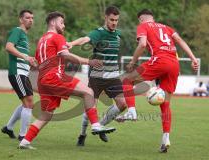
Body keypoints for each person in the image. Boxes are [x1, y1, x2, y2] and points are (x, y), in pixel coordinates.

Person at [18, 11, 116, 149]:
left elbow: (37, 63)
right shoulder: (57, 37)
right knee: (88, 92)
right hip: (54, 77)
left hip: (43, 81)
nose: (64, 26)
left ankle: (25, 141)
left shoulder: (42, 40)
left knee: (46, 114)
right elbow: (65, 55)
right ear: (53, 22)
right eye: (61, 22)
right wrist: (89, 61)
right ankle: (95, 125)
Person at [118, 9, 199, 153]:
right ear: (153, 18)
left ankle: (131, 111)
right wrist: (193, 58)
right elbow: (180, 40)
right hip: (174, 64)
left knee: (126, 80)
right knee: (165, 103)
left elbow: (142, 45)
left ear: (141, 19)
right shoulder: (166, 27)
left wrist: (132, 61)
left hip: (160, 60)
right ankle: (166, 138)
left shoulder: (143, 26)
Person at [68, 6, 136, 146]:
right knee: (91, 107)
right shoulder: (98, 33)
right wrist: (71, 43)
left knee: (122, 104)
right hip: (97, 76)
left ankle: (102, 126)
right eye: (111, 20)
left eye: (116, 20)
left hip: (113, 76)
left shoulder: (117, 34)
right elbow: (85, 39)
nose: (114, 23)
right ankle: (82, 134)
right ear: (105, 18)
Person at [1, 9, 36, 141]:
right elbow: (9, 47)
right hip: (17, 72)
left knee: (26, 102)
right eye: (27, 18)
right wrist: (25, 57)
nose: (31, 20)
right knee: (29, 102)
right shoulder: (17, 31)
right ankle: (23, 136)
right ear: (21, 19)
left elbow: (21, 55)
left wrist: (30, 61)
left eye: (32, 18)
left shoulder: (25, 36)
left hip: (23, 72)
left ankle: (8, 128)